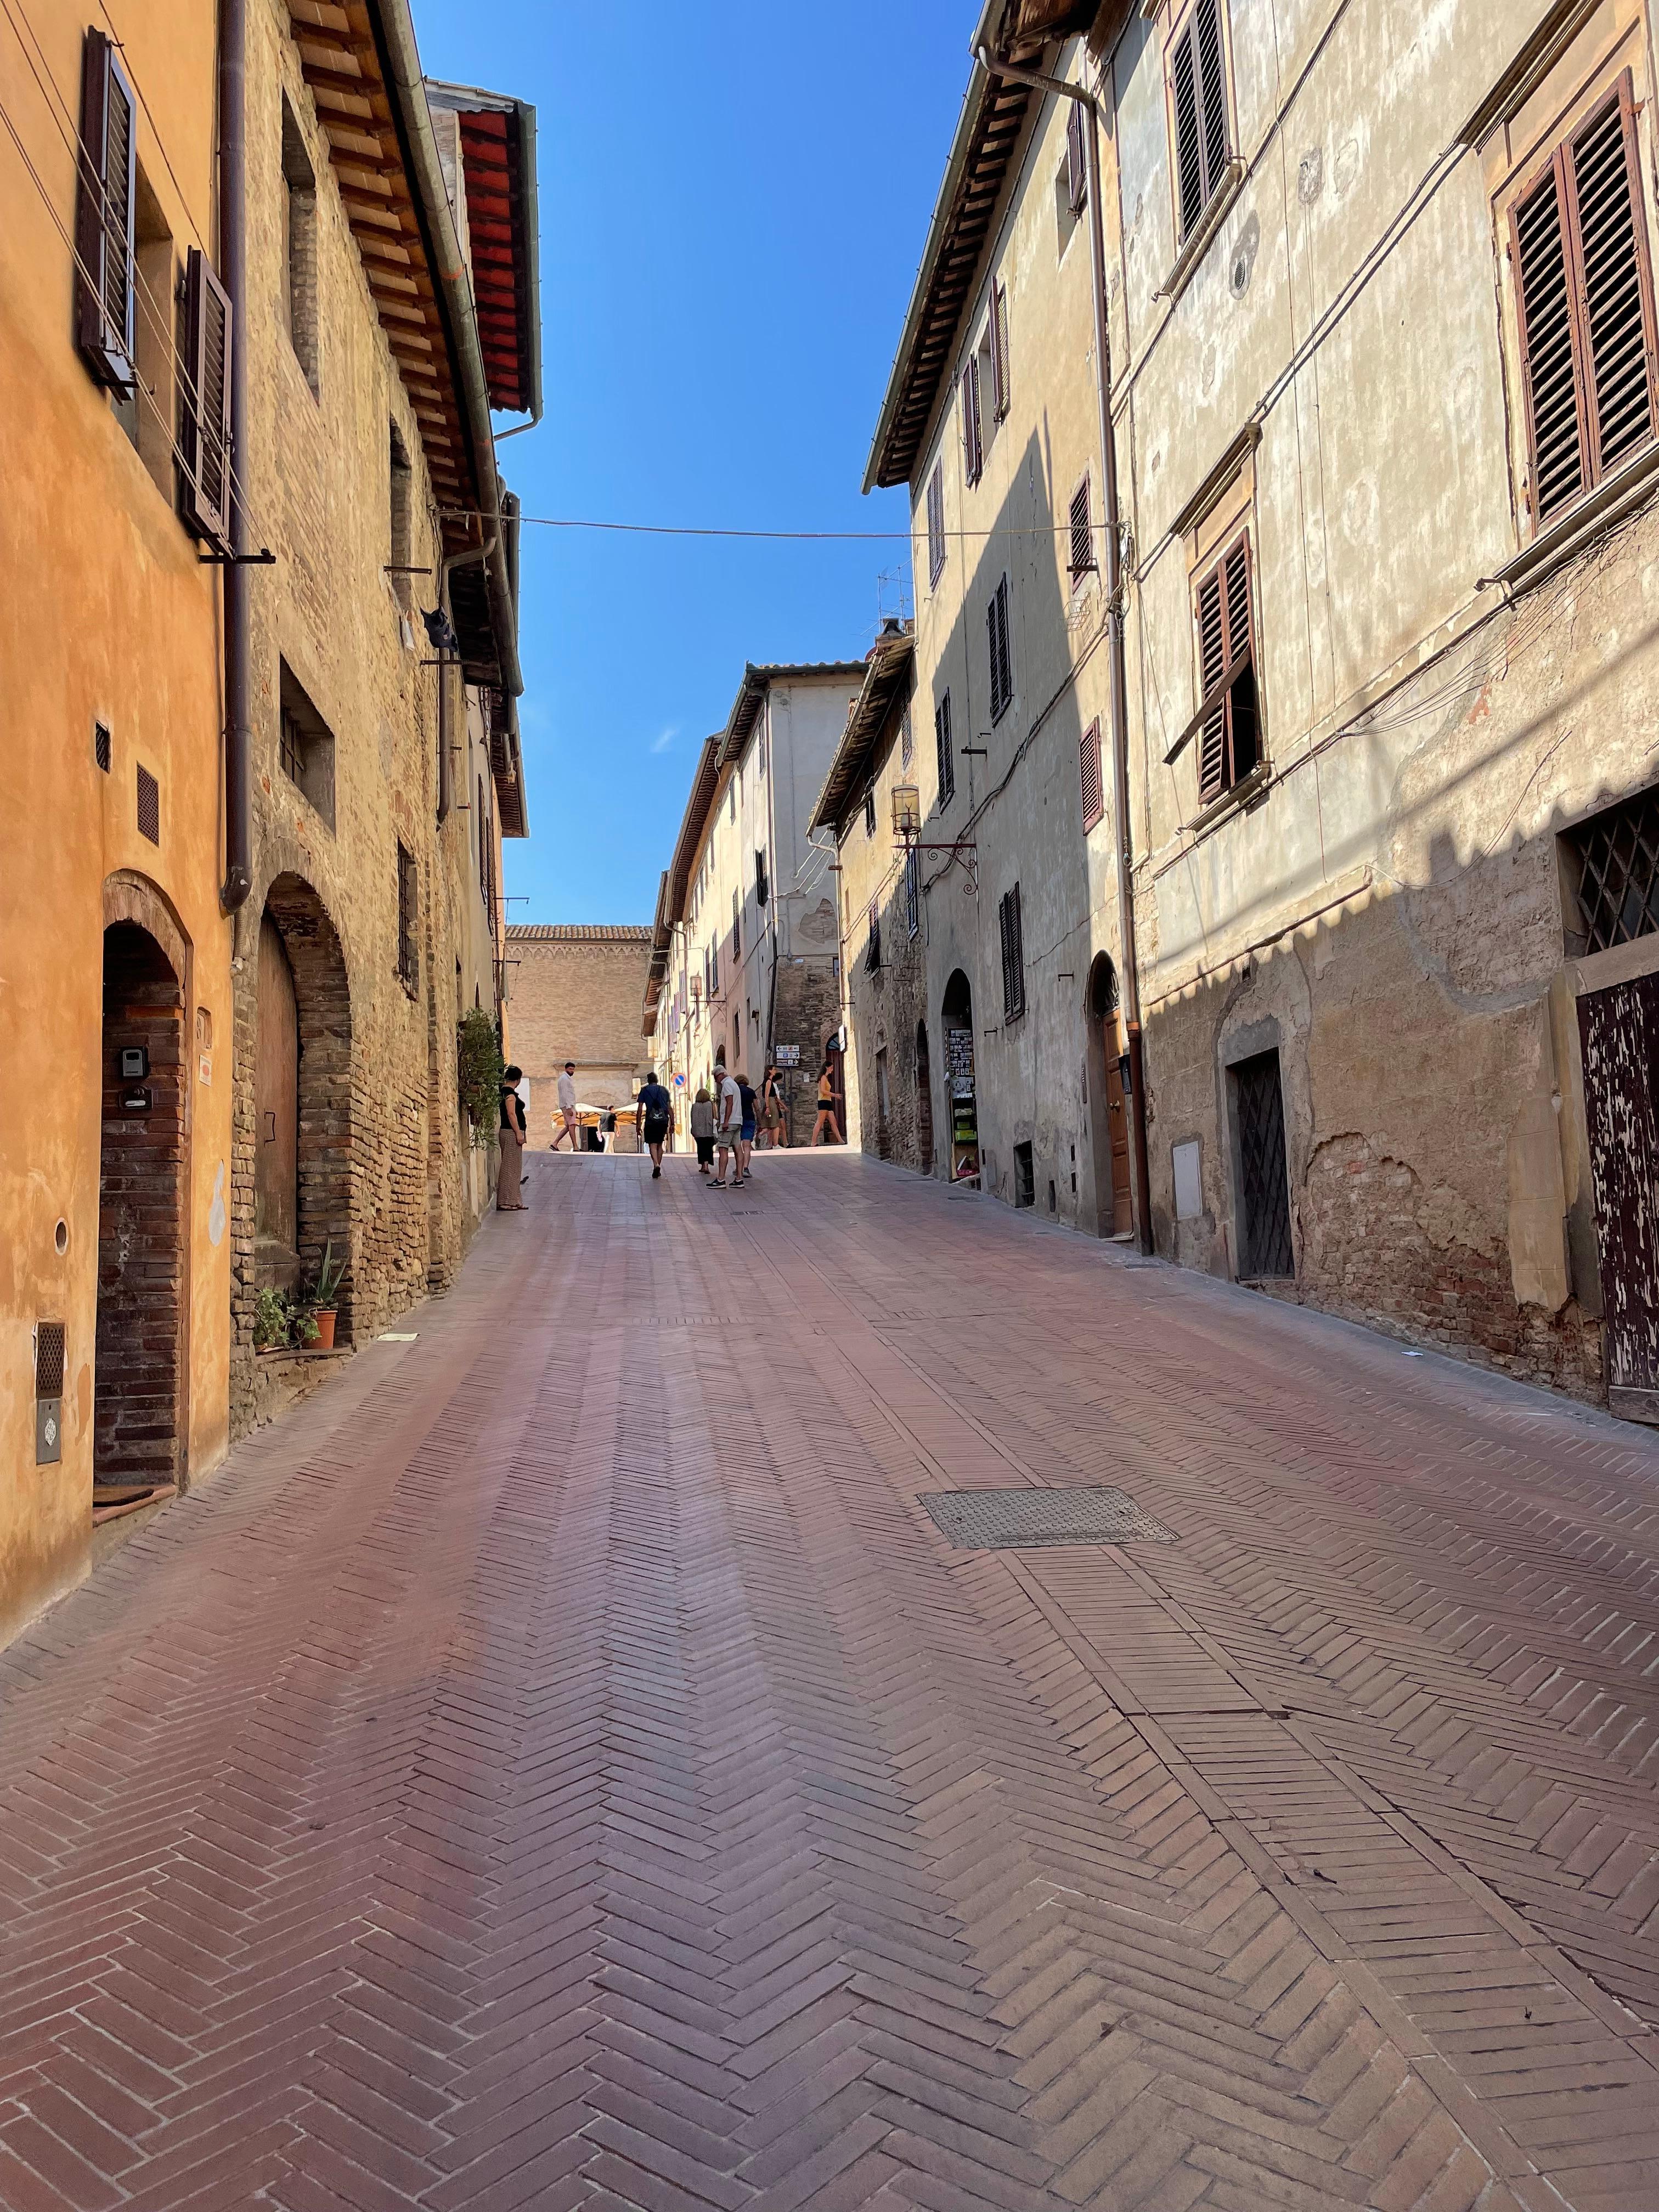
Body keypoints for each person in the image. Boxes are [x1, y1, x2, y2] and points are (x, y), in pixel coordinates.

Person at [497, 1064, 527, 1210]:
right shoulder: (509, 1094)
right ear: (518, 1080)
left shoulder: (505, 1092)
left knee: (515, 1168)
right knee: (509, 1167)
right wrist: (518, 1132)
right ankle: (505, 1201)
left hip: (511, 1132)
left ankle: (514, 1200)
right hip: (510, 1133)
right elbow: (511, 1115)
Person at [709, 1063, 742, 1188]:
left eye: (716, 1078)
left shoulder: (727, 1084)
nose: (716, 1081)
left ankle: (721, 1179)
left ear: (721, 1075)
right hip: (738, 1121)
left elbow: (729, 1103)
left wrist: (726, 1121)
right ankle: (739, 1179)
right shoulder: (734, 1084)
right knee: (738, 1149)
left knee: (723, 1149)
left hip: (730, 1122)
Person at [636, 1068, 672, 1178]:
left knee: (652, 1143)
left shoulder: (645, 1090)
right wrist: (673, 1123)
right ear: (657, 1080)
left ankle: (656, 1164)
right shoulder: (664, 1090)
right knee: (660, 1143)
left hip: (651, 1121)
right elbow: (670, 1108)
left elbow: (640, 1108)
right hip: (663, 1120)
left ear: (648, 1080)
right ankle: (658, 1166)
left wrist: (638, 1124)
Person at [734, 1071, 758, 1186]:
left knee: (738, 1145)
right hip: (749, 1118)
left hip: (738, 1119)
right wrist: (760, 1119)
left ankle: (738, 1168)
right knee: (747, 1146)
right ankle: (746, 1168)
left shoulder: (735, 1091)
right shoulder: (751, 1092)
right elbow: (756, 1107)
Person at [552, 1060, 581, 1152]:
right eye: (570, 1069)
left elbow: (570, 1094)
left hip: (569, 1105)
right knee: (572, 1125)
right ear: (566, 1069)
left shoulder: (566, 1079)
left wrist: (574, 1108)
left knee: (569, 1127)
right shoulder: (564, 1079)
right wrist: (569, 1107)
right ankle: (576, 1147)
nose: (572, 1071)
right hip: (567, 1105)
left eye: (573, 1069)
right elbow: (565, 1094)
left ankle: (555, 1143)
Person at [814, 1057, 842, 1146]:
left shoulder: (825, 1078)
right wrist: (835, 1095)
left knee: (833, 1122)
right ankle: (813, 1142)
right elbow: (823, 1091)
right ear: (827, 1067)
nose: (832, 1070)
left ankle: (841, 1140)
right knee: (820, 1122)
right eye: (831, 1068)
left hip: (828, 1102)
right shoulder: (823, 1078)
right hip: (823, 1102)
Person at [689, 1086, 715, 1174]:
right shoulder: (710, 1105)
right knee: (708, 1148)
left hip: (698, 1132)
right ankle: (707, 1166)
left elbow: (692, 1119)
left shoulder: (694, 1106)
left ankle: (703, 1166)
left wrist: (693, 1130)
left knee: (701, 1148)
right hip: (709, 1130)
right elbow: (715, 1117)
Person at [760, 1064, 786, 1149]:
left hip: (771, 1103)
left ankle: (756, 1138)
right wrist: (768, 1108)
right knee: (775, 1123)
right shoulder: (768, 1081)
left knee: (771, 1123)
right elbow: (767, 1095)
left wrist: (783, 1106)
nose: (775, 1071)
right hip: (771, 1104)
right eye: (774, 1069)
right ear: (770, 1071)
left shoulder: (768, 1081)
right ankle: (775, 1145)